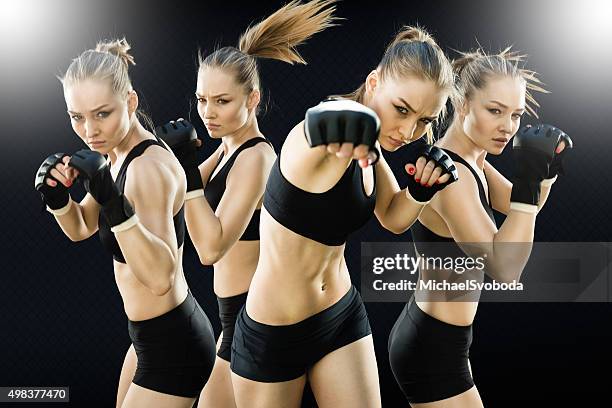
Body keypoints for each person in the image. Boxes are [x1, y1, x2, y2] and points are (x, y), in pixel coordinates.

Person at [229, 26, 458, 408]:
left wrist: (422, 190)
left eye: (423, 121)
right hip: (275, 333)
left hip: (341, 316)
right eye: (401, 109)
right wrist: (338, 122)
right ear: (373, 83)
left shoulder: (371, 148)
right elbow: (319, 122)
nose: (407, 130)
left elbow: (392, 216)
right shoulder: (326, 133)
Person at [157, 1, 338, 407]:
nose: (208, 112)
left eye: (222, 101)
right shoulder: (225, 151)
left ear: (252, 99)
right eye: (202, 100)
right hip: (233, 319)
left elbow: (211, 247)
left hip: (254, 319)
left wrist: (184, 170)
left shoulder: (256, 158)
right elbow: (170, 199)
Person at [34, 39, 216, 408]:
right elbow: (82, 227)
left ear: (130, 103)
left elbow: (161, 277)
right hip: (148, 339)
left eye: (102, 114)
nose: (89, 130)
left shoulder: (144, 169)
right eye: (77, 117)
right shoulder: (115, 155)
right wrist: (58, 198)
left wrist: (115, 203)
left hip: (174, 345)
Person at [388, 47, 572, 407]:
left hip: (444, 340)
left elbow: (517, 205)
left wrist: (543, 177)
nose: (508, 127)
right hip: (430, 348)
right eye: (495, 111)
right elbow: (505, 268)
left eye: (516, 115)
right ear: (463, 104)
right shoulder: (450, 174)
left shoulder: (473, 157)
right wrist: (530, 181)